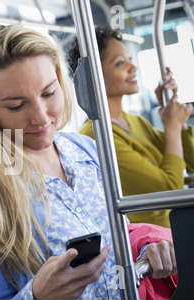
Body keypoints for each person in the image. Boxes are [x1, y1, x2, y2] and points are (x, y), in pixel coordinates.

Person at [0, 24, 177, 300]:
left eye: (48, 93)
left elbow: (118, 236)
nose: (41, 117)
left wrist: (146, 248)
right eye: (16, 106)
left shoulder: (88, 149)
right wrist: (36, 296)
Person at [67, 26, 194, 228]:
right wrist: (171, 126)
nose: (133, 68)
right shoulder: (96, 135)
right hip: (155, 243)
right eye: (120, 63)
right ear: (94, 77)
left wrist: (176, 118)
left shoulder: (134, 121)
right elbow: (170, 190)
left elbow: (190, 161)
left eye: (130, 60)